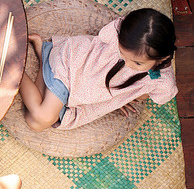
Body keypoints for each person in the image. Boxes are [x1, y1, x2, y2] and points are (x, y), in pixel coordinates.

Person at [19, 8, 178, 131]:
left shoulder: (163, 83)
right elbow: (104, 36)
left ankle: (43, 56)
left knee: (36, 123)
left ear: (162, 59)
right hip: (74, 67)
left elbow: (143, 95)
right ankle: (14, 70)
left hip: (86, 94)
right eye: (122, 54)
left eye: (137, 63)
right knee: (42, 117)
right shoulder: (120, 31)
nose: (127, 63)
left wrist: (124, 95)